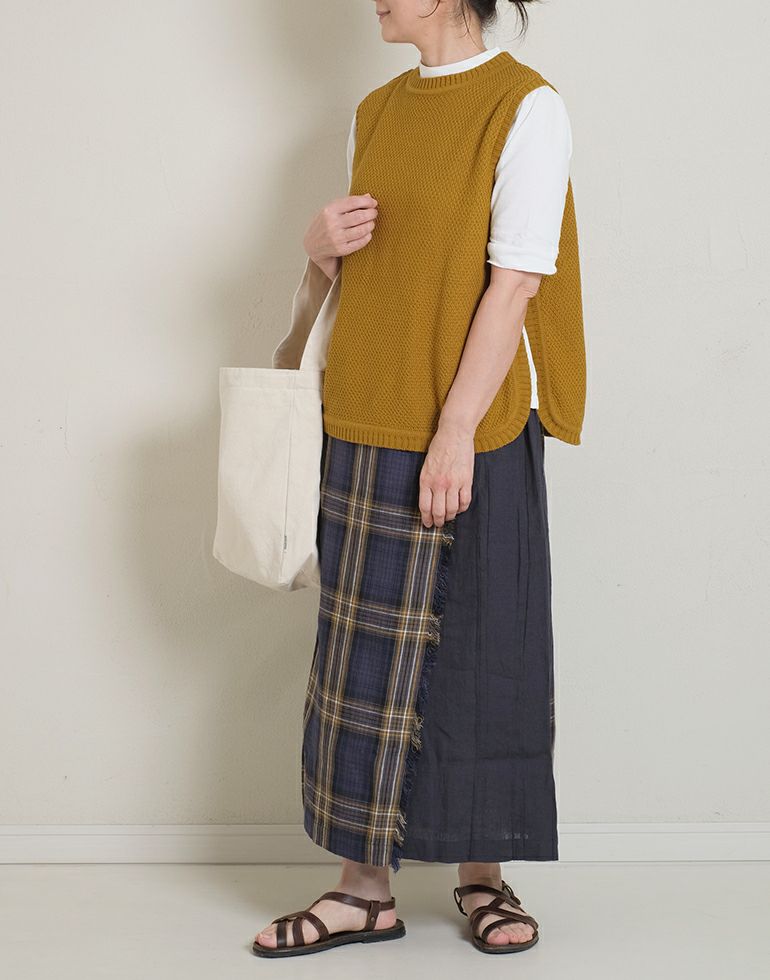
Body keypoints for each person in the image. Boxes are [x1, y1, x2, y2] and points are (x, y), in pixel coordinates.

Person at [253, 0, 586, 957]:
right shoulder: (377, 111)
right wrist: (318, 256)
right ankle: (364, 892)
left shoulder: (527, 107)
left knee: (486, 650)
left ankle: (483, 876)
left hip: (472, 427)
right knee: (360, 666)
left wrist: (455, 431)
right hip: (365, 414)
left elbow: (516, 283)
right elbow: (364, 285)